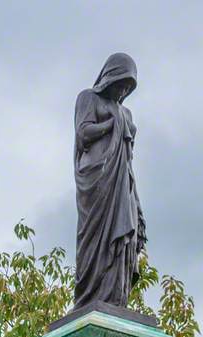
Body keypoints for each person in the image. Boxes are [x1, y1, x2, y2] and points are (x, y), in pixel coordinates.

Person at [74, 53, 146, 308]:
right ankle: (91, 299)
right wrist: (112, 124)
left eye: (128, 87)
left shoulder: (126, 112)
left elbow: (128, 161)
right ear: (109, 78)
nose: (123, 90)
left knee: (123, 240)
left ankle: (116, 299)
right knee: (95, 241)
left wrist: (136, 204)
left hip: (122, 183)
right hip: (97, 182)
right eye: (121, 84)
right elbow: (83, 134)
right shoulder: (88, 98)